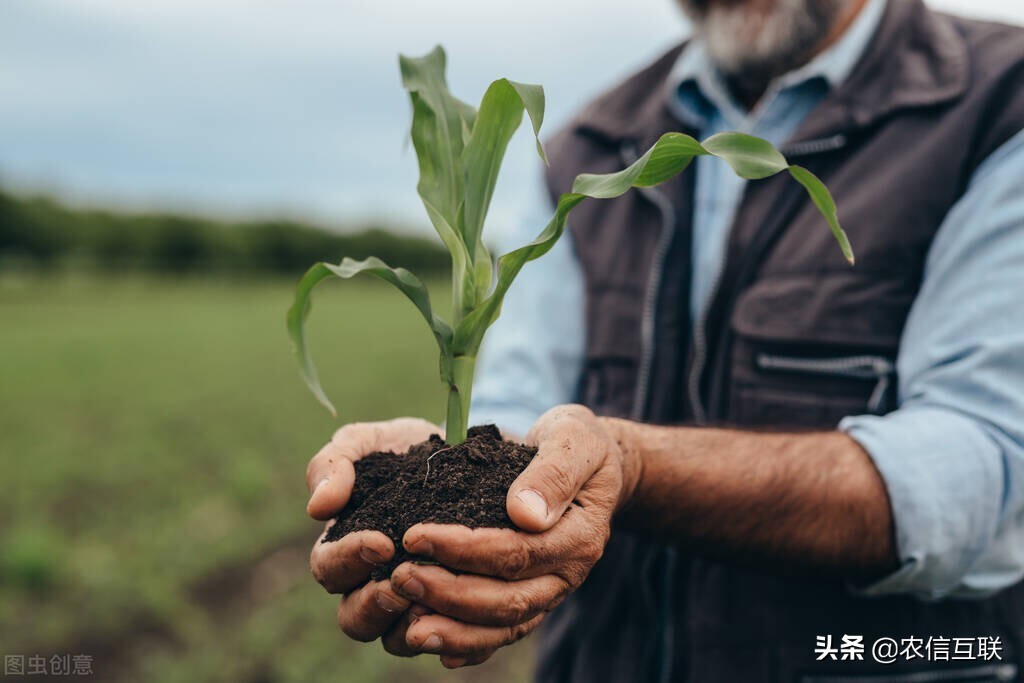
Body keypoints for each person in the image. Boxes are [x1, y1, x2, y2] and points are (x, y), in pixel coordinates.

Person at [304, 0, 1024, 679]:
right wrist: (440, 475)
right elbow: (521, 411)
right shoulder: (592, 141)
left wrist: (636, 466)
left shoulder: (999, 99)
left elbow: (980, 459)